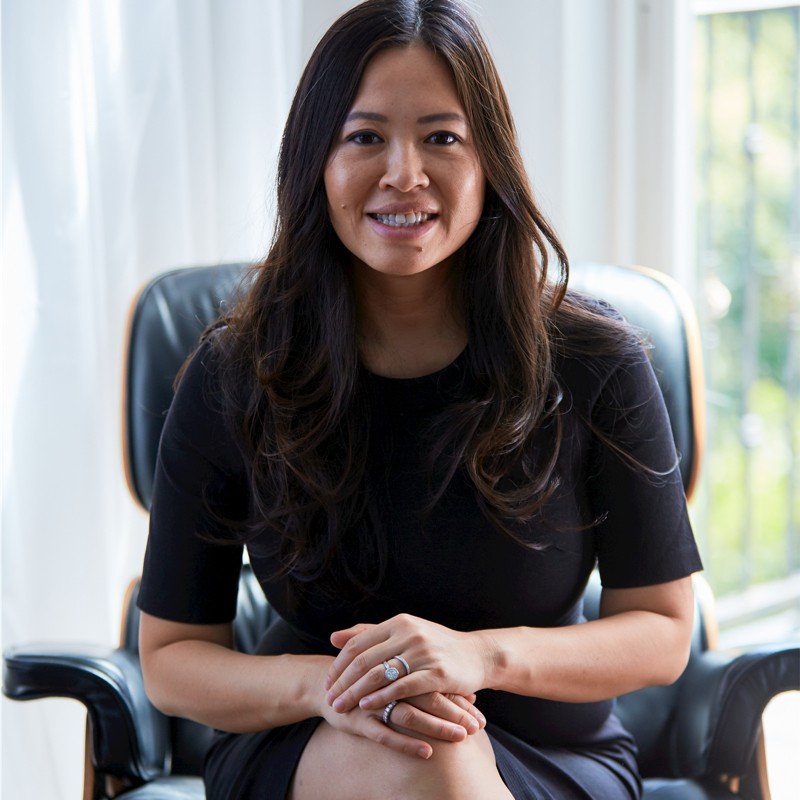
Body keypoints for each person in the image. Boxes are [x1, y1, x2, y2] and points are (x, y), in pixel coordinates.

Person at [136, 1, 704, 798]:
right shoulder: (237, 370)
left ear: (490, 164)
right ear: (315, 164)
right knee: (412, 757)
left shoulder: (594, 358)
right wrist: (333, 688)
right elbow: (170, 658)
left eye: (442, 137)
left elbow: (662, 630)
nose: (405, 172)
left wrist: (478, 657)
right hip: (312, 738)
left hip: (548, 753)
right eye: (365, 137)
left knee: (433, 760)